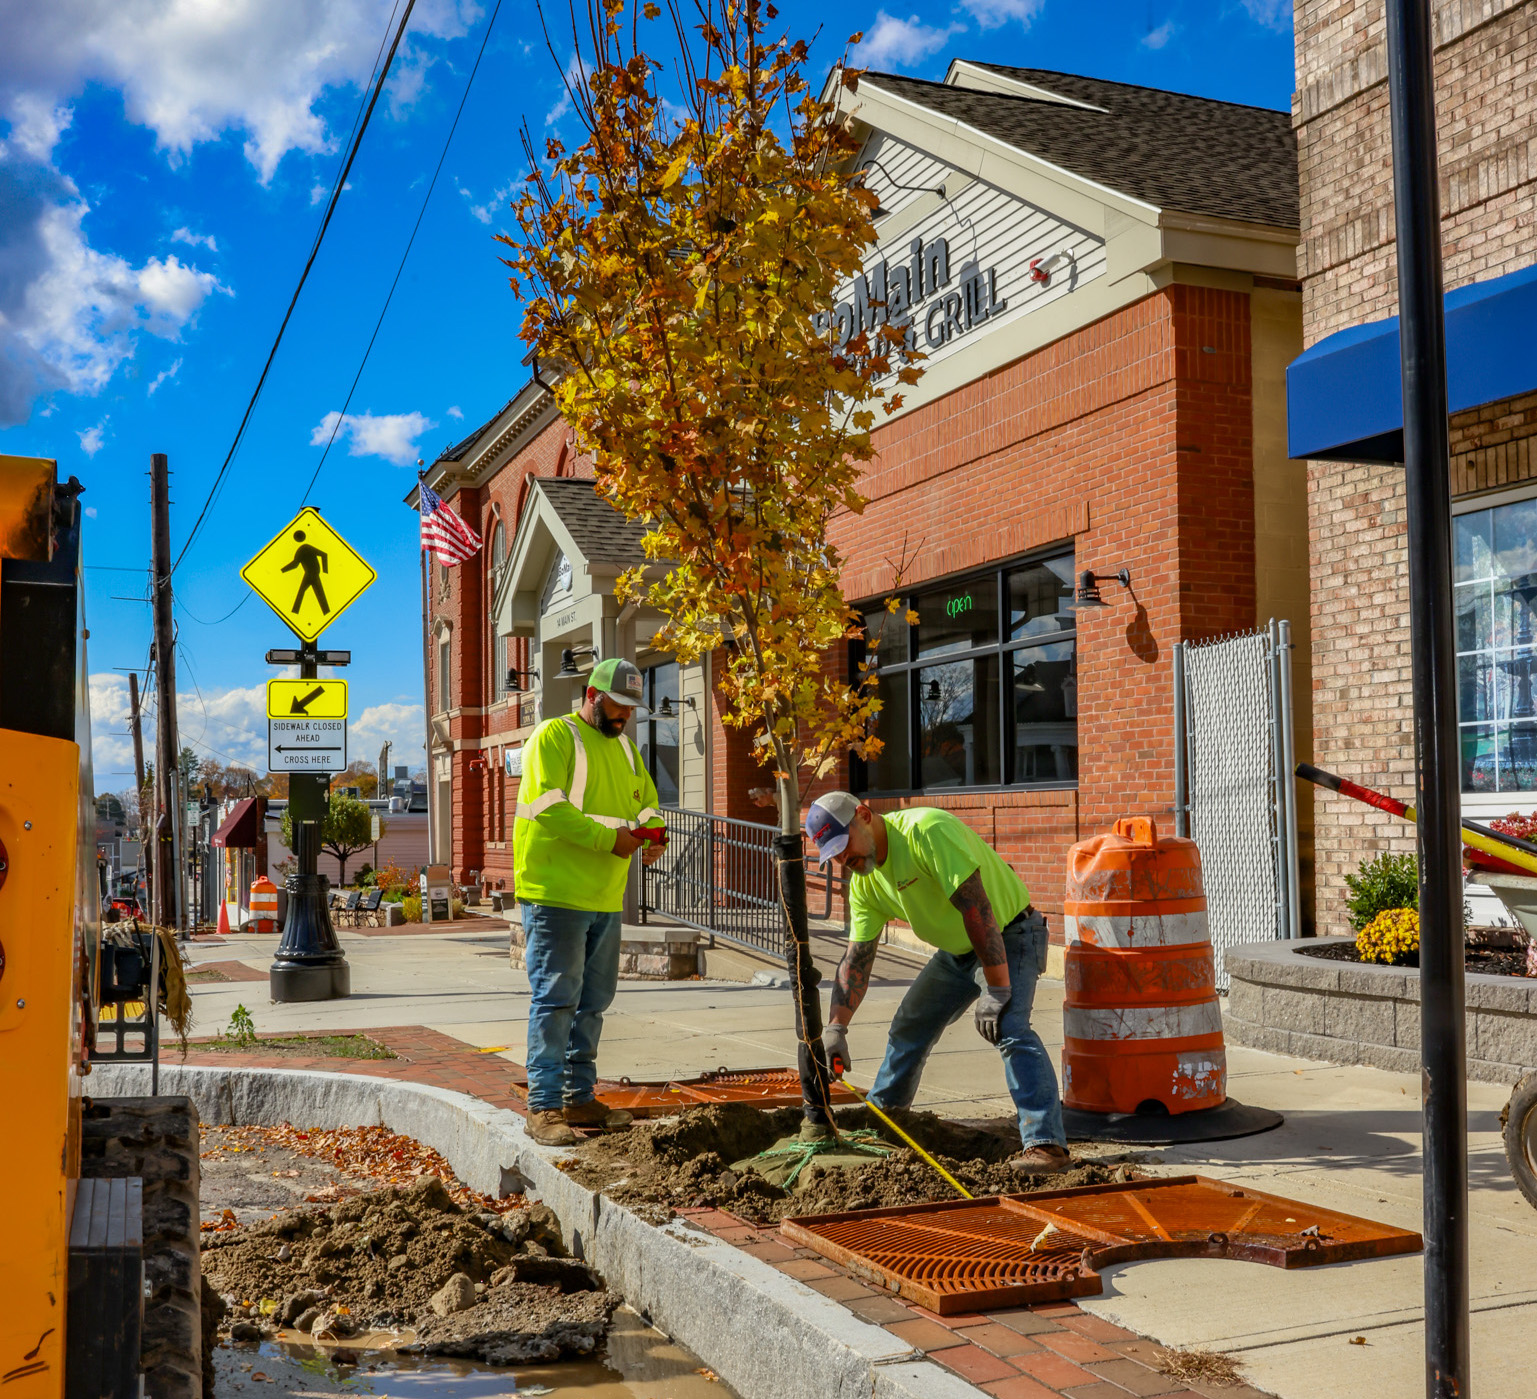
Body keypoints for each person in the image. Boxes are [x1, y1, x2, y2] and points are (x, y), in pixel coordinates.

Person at [804, 790, 1070, 1172]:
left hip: (1010, 935)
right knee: (910, 1025)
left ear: (864, 815)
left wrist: (997, 989)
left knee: (1009, 1026)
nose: (844, 860)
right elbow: (857, 959)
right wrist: (835, 1028)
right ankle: (885, 1125)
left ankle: (1047, 1146)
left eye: (843, 845)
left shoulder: (925, 831)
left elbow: (976, 908)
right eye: (834, 855)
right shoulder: (866, 880)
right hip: (957, 951)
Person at [513, 657, 667, 1146]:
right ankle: (544, 1106)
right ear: (591, 695)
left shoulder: (624, 749)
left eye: (630, 708)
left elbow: (645, 801)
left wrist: (655, 830)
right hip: (555, 892)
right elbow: (547, 807)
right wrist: (611, 842)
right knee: (557, 999)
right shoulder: (554, 737)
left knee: (594, 1002)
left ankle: (580, 1096)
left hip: (604, 895)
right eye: (616, 705)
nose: (624, 716)